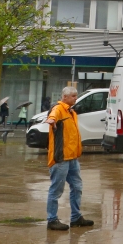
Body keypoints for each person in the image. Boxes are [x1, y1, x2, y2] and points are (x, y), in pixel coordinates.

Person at [45, 87, 94, 231]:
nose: (75, 98)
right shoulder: (58, 109)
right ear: (64, 97)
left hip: (72, 158)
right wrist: (51, 121)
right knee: (56, 189)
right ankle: (52, 219)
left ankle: (76, 217)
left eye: (76, 96)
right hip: (61, 158)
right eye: (73, 96)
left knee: (77, 187)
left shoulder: (71, 112)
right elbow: (52, 116)